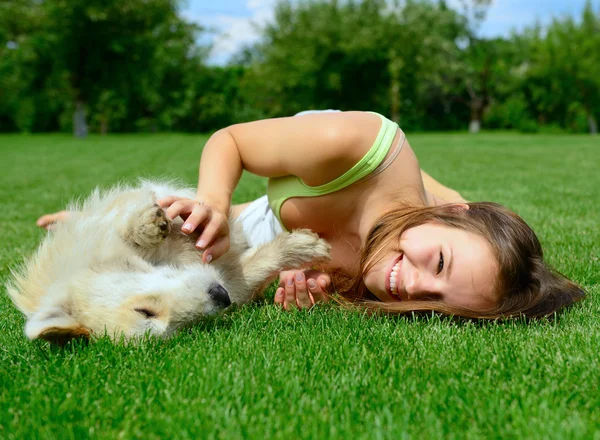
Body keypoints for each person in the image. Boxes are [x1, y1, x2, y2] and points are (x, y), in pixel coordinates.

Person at [37, 110, 585, 318]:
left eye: (434, 304)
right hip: (247, 214)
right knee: (147, 223)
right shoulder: (349, 142)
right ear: (450, 213)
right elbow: (230, 141)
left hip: (253, 251)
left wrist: (315, 287)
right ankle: (88, 223)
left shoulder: (407, 273)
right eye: (436, 262)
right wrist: (213, 206)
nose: (409, 286)